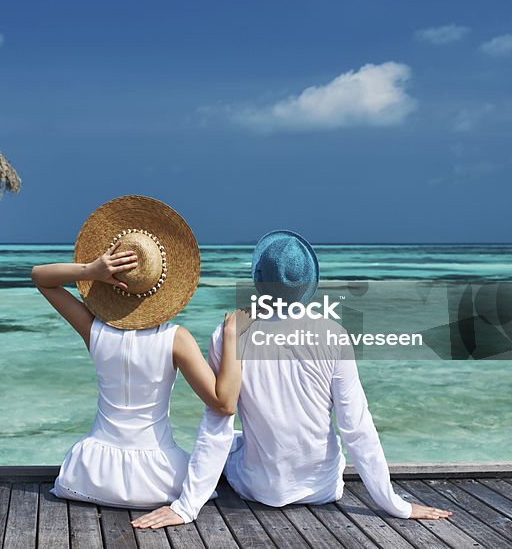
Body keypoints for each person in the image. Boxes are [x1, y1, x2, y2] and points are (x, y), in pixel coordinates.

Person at [132, 230, 452, 528]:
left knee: (233, 439)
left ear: (258, 280)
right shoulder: (334, 336)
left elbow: (217, 425)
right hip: (324, 488)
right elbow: (357, 428)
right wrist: (396, 505)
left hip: (259, 490)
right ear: (308, 282)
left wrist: (186, 507)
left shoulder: (230, 334)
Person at [31, 195, 242, 510]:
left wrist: (90, 270)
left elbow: (41, 278)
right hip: (158, 481)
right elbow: (224, 404)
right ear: (165, 282)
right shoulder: (176, 339)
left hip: (89, 475)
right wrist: (233, 340)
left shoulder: (95, 332)